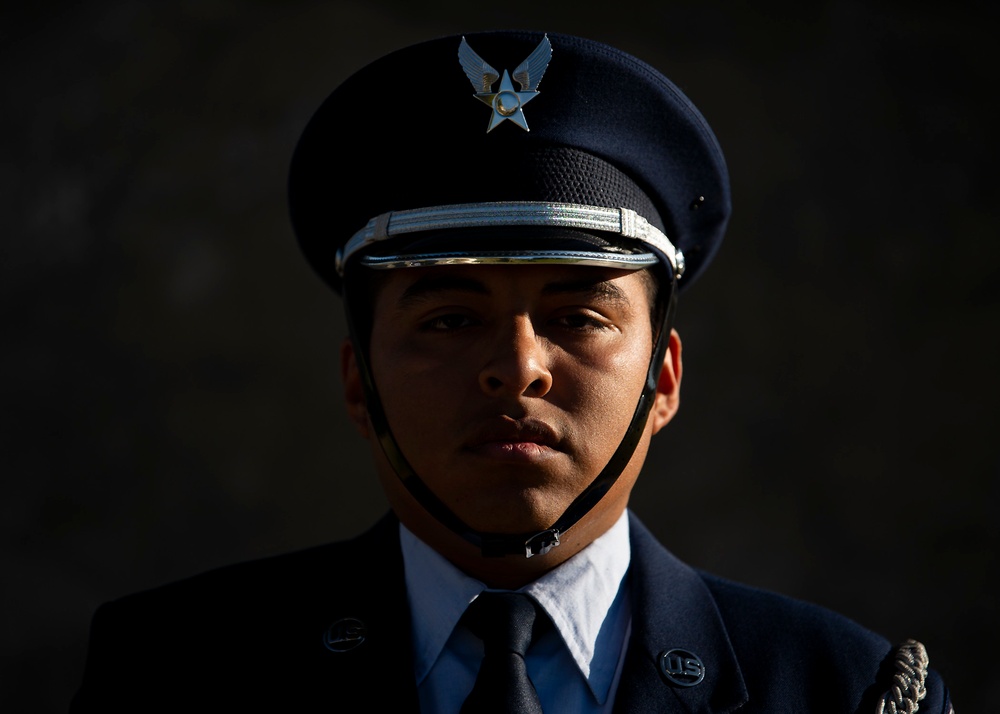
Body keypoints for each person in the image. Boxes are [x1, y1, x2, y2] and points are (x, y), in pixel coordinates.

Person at [71, 30, 954, 713]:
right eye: (450, 318)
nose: (517, 366)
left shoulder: (845, 692)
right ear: (356, 380)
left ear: (666, 378)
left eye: (578, 318)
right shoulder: (173, 671)